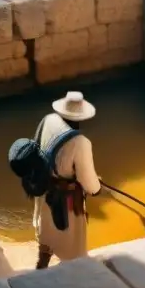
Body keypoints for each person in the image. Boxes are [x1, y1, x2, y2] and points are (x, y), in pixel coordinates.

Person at [33, 91, 101, 269]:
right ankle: (72, 275)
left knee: (47, 234)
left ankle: (42, 265)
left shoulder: (47, 121)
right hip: (66, 200)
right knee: (72, 246)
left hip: (46, 191)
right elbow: (88, 182)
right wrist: (96, 188)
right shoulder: (80, 142)